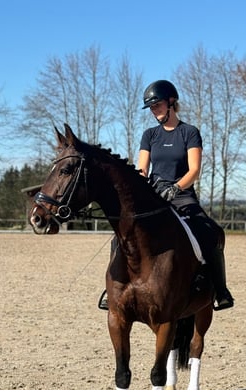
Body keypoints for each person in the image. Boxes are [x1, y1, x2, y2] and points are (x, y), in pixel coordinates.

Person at [98, 79, 234, 312]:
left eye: (158, 105)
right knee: (121, 235)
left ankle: (220, 290)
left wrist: (175, 188)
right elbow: (142, 170)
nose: (154, 111)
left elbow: (194, 170)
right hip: (153, 195)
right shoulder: (149, 135)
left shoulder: (189, 133)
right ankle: (113, 289)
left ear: (171, 102)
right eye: (151, 108)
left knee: (209, 233)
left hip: (182, 196)